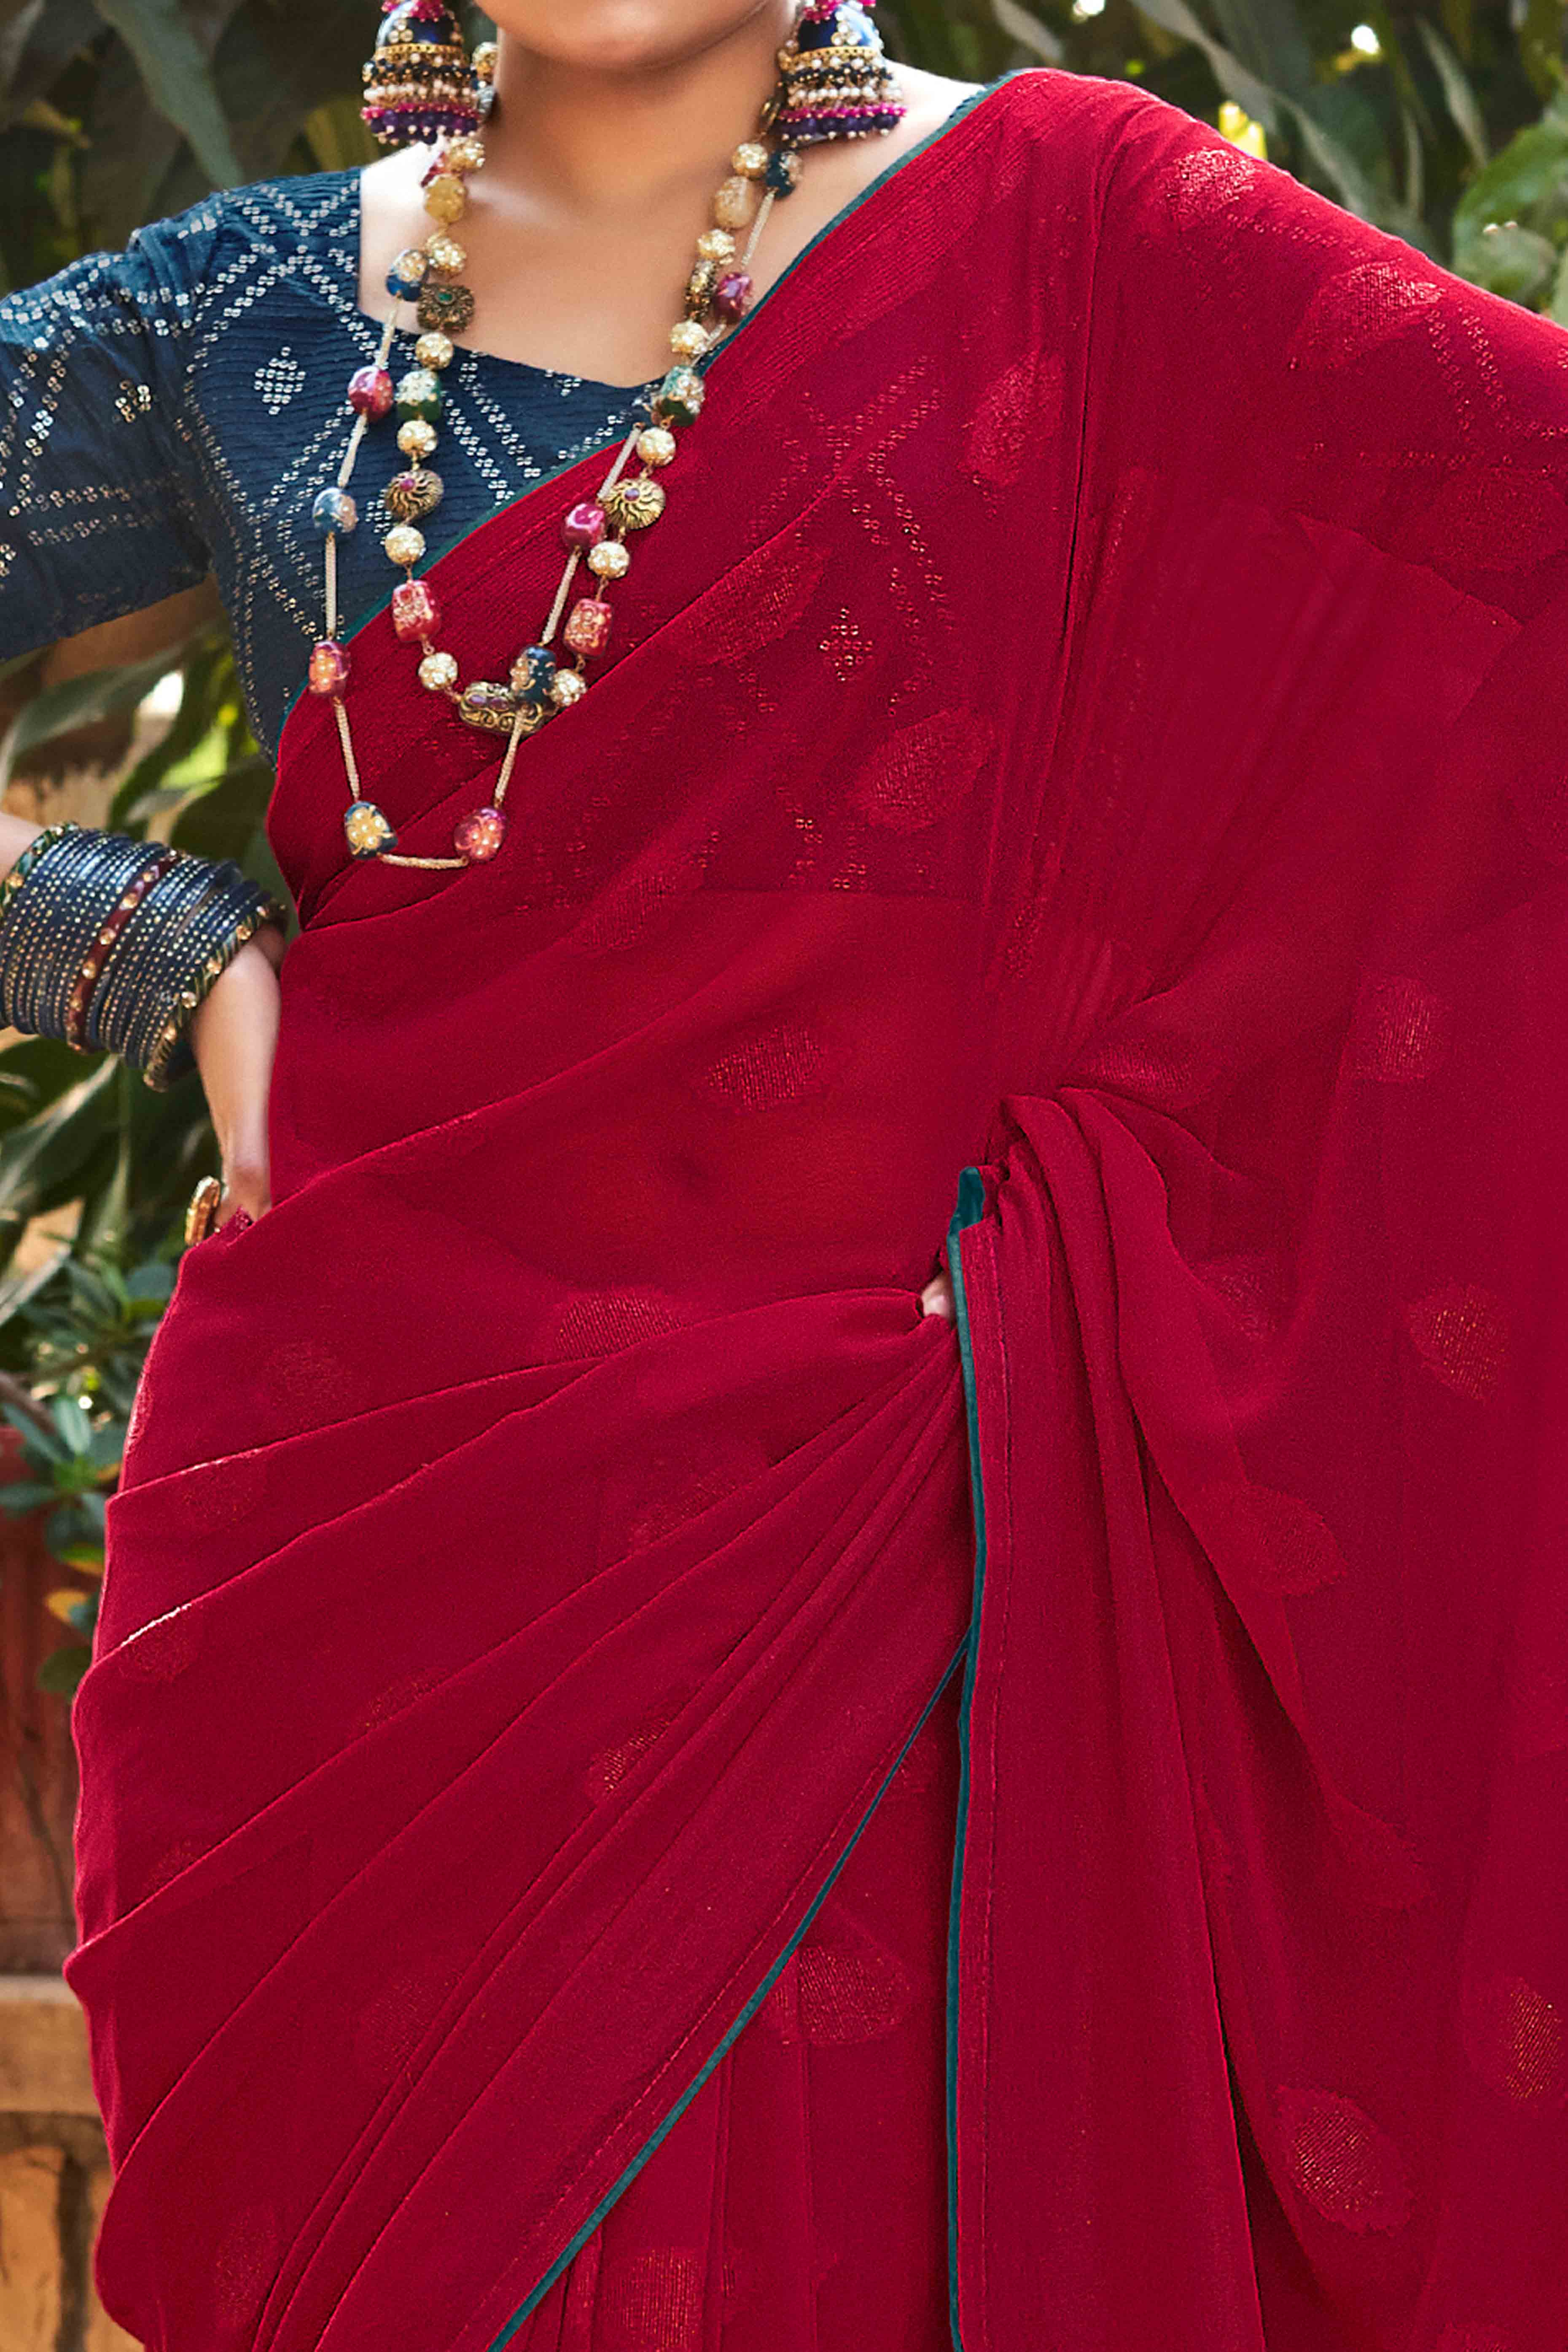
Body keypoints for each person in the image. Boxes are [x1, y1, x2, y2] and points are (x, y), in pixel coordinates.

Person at [1, 3, 1564, 2346]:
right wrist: (157, 947)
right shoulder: (235, 322)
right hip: (363, 1584)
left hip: (897, 1559)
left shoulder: (1092, 232)